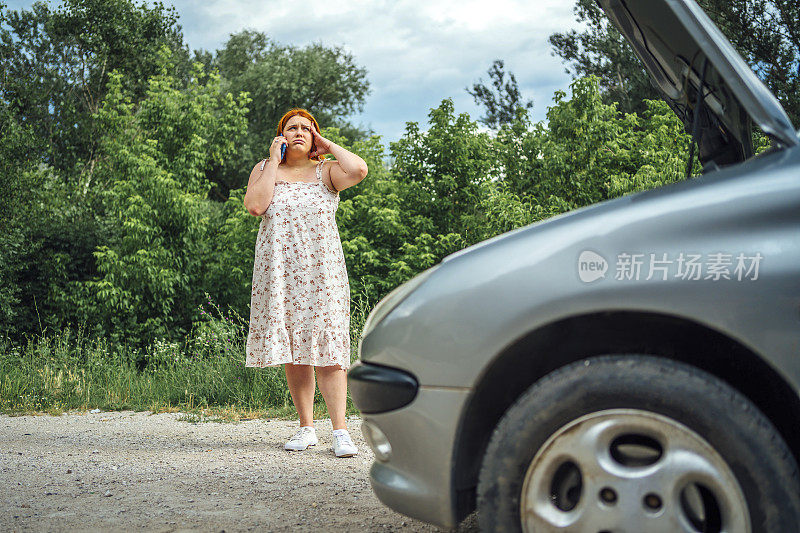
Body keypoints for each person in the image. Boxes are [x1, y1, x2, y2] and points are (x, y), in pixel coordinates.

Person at [243, 108, 368, 457]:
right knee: (295, 351)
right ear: (280, 136)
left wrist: (325, 143)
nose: (298, 132)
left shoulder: (326, 171)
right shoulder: (265, 170)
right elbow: (255, 206)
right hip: (281, 273)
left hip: (322, 273)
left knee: (329, 350)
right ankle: (306, 428)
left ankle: (341, 432)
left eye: (306, 128)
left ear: (314, 136)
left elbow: (359, 170)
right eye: (291, 128)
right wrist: (272, 158)